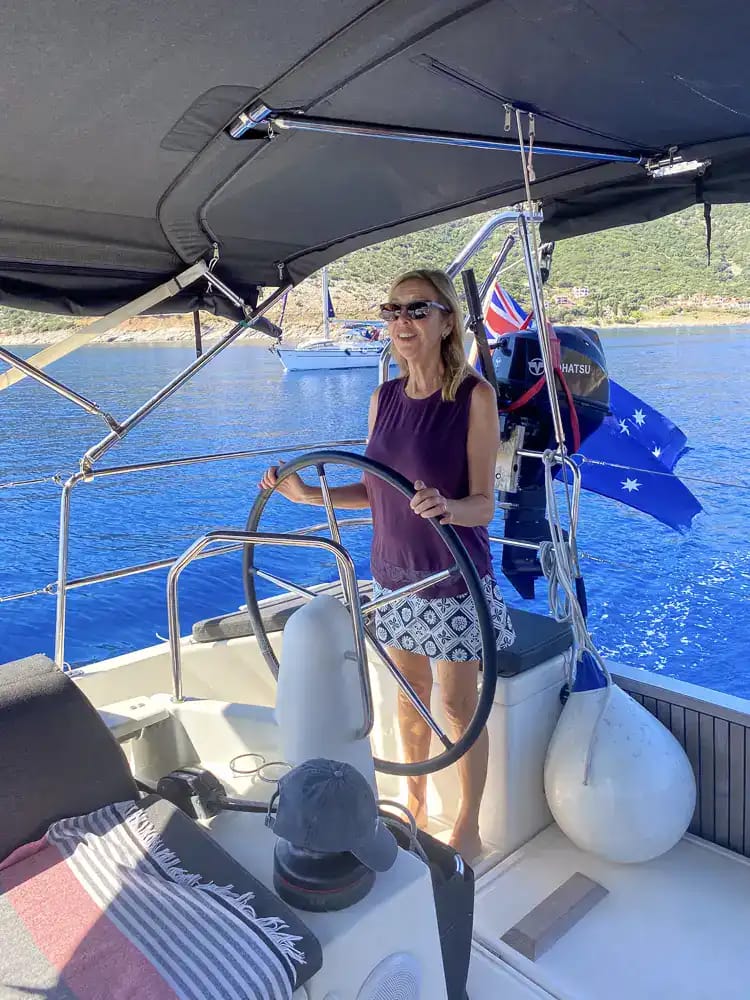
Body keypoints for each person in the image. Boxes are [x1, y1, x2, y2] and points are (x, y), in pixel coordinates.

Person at [260, 268, 515, 862]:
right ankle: (415, 804)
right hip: (393, 578)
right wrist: (308, 495)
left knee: (458, 708)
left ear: (446, 321)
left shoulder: (474, 397)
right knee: (408, 696)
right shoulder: (385, 399)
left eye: (417, 309)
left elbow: (484, 505)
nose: (402, 321)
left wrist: (448, 507)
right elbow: (377, 489)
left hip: (452, 579)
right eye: (393, 310)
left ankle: (469, 825)